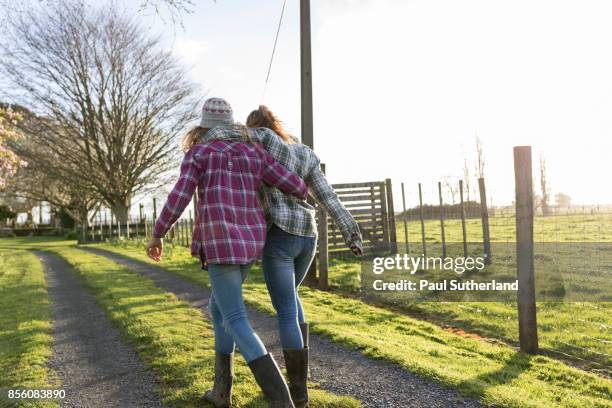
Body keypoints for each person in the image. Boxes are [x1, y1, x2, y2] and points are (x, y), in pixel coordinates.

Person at [146, 98, 309, 408]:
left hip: (220, 242)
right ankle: (222, 391)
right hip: (250, 244)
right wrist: (305, 188)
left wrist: (158, 234)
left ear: (204, 125)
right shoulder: (254, 152)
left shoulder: (199, 153)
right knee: (219, 308)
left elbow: (180, 195)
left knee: (235, 318)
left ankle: (282, 402)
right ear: (233, 124)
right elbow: (294, 185)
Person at [200, 105, 364, 408]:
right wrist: (351, 232)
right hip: (308, 237)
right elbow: (327, 196)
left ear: (254, 125)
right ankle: (296, 392)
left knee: (286, 309)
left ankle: (295, 398)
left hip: (280, 237)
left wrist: (207, 128)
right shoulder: (304, 152)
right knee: (292, 300)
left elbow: (224, 133)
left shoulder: (257, 138)